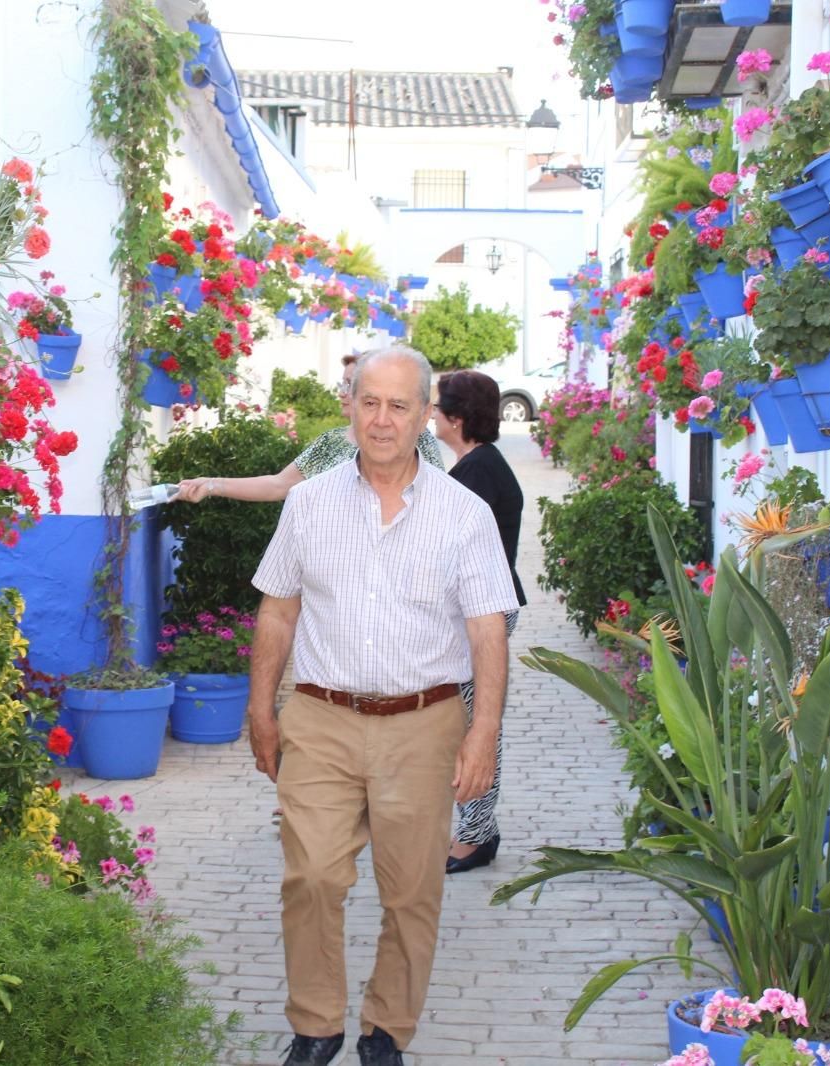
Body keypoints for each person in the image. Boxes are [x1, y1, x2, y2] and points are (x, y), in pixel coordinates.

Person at [248, 347, 519, 1066]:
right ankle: (315, 1025)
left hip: (424, 724)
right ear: (349, 406)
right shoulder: (309, 503)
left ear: (426, 414)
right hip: (320, 715)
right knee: (311, 876)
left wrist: (482, 732)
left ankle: (386, 1031)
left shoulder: (464, 513)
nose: (383, 419)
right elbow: (278, 612)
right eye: (370, 402)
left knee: (411, 892)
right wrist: (260, 709)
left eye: (400, 405)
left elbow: (488, 628)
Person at [431, 369, 527, 875]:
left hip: (481, 616)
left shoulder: (478, 473)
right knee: (465, 724)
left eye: (436, 408)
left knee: (475, 728)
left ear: (456, 419)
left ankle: (476, 835)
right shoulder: (480, 466)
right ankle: (475, 830)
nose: (430, 416)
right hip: (477, 612)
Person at [170, 353, 442, 507]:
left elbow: (436, 497)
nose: (344, 393)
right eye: (344, 384)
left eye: (352, 385)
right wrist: (212, 485)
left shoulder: (415, 439)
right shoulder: (330, 442)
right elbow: (279, 484)